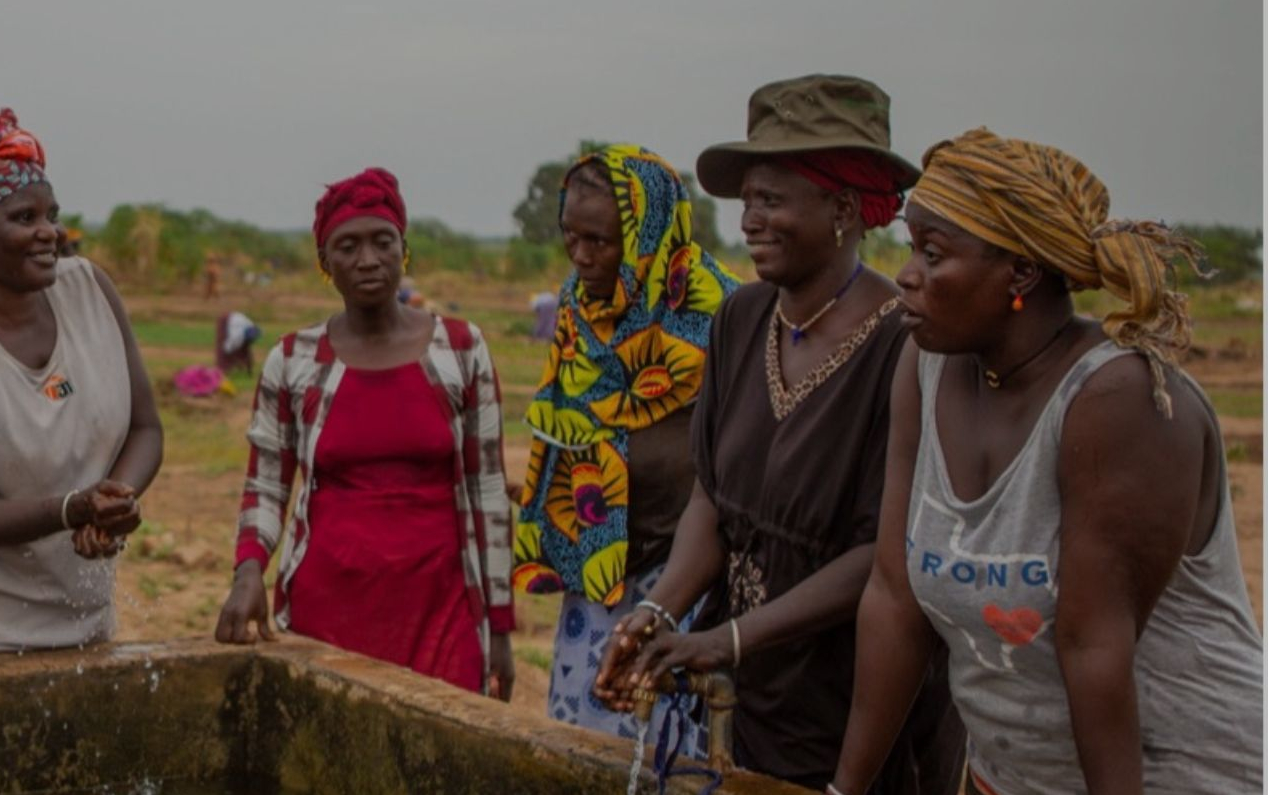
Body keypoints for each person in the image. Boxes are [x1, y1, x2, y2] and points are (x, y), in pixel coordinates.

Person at [829, 129, 1264, 795]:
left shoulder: (1115, 402)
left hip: (1179, 772)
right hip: (1012, 775)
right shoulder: (926, 365)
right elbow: (894, 595)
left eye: (933, 253)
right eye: (912, 247)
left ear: (1022, 273)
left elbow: (1094, 649)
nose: (907, 273)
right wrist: (845, 789)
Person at [593, 75, 963, 792]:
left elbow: (884, 556)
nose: (749, 222)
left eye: (770, 200)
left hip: (859, 705)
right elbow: (713, 498)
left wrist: (726, 639)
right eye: (746, 202)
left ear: (844, 208)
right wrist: (657, 607)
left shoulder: (907, 348)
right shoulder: (741, 320)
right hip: (749, 698)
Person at [215, 168, 516, 699]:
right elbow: (266, 486)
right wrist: (247, 574)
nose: (368, 259)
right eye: (347, 246)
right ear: (325, 263)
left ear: (406, 250)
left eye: (383, 241)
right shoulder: (291, 360)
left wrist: (500, 629)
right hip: (327, 611)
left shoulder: (463, 349)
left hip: (441, 609)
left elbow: (489, 493)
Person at [0, 109, 163, 653]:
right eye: (25, 218)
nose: (51, 233)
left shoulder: (89, 289)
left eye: (52, 215)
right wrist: (74, 510)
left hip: (89, 615)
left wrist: (112, 506)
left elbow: (145, 429)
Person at [512, 144, 738, 746]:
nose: (582, 256)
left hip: (684, 571)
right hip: (599, 559)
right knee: (583, 737)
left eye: (602, 242)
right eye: (571, 236)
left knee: (667, 739)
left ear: (648, 235)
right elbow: (569, 411)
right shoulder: (577, 305)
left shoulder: (721, 315)